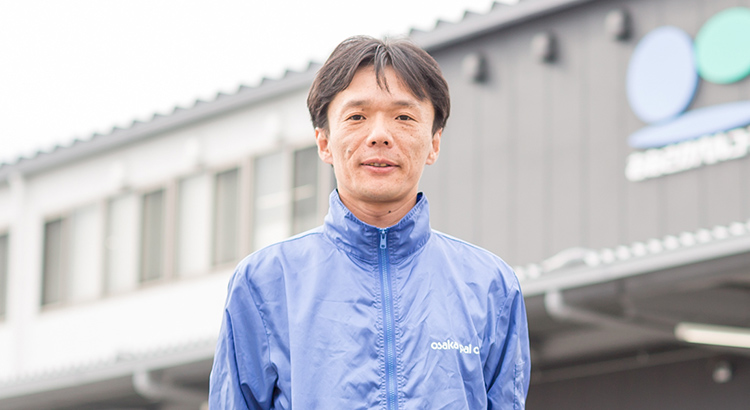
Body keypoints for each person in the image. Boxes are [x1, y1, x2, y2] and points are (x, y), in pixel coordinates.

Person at [209, 35, 530, 409]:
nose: (379, 136)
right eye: (357, 117)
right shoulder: (264, 282)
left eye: (404, 117)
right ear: (324, 142)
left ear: (434, 142)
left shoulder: (491, 285)